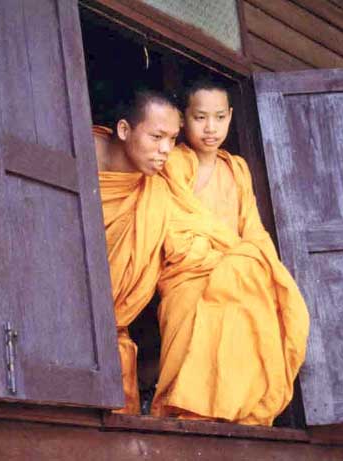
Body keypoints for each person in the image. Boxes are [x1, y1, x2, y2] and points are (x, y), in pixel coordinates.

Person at [151, 80, 310, 425]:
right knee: (197, 312)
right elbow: (174, 227)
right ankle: (190, 411)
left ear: (231, 117)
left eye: (220, 117)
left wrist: (251, 263)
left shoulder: (237, 168)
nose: (211, 128)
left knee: (260, 301)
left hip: (237, 271)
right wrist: (227, 261)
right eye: (200, 117)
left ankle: (239, 414)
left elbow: (253, 230)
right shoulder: (175, 162)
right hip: (189, 273)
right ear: (183, 119)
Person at [93, 89, 180, 414]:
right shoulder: (74, 157)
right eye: (157, 136)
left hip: (114, 337)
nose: (166, 150)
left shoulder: (157, 191)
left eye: (173, 139)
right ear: (124, 130)